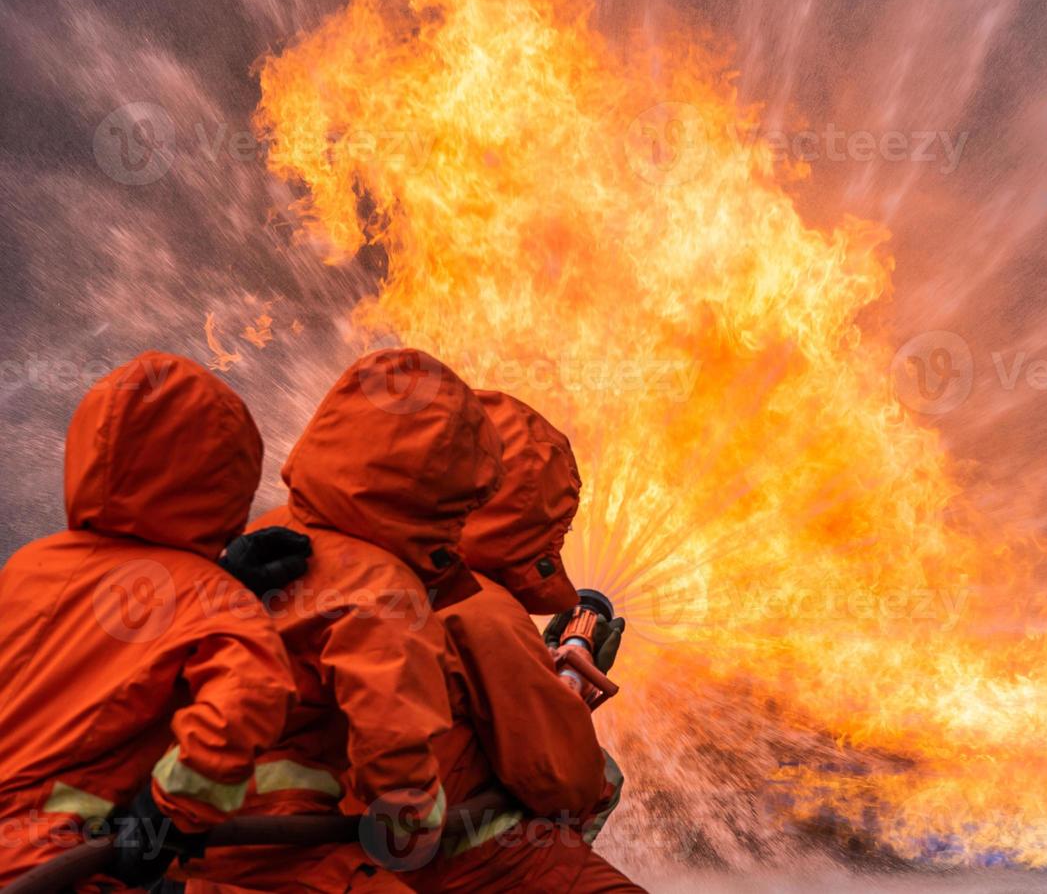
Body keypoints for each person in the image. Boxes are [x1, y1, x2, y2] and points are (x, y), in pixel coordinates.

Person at [181, 348, 502, 894]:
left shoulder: (267, 537)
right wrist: (412, 818)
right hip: (284, 844)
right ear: (441, 496)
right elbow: (391, 733)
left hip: (197, 836)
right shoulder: (384, 591)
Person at [0, 352, 298, 891]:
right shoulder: (213, 600)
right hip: (48, 867)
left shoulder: (28, 566)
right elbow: (250, 700)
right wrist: (169, 815)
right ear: (229, 479)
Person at [406, 390, 642, 894]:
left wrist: (531, 664)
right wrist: (567, 694)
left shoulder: (333, 562)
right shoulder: (483, 612)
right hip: (452, 863)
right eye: (556, 526)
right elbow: (558, 780)